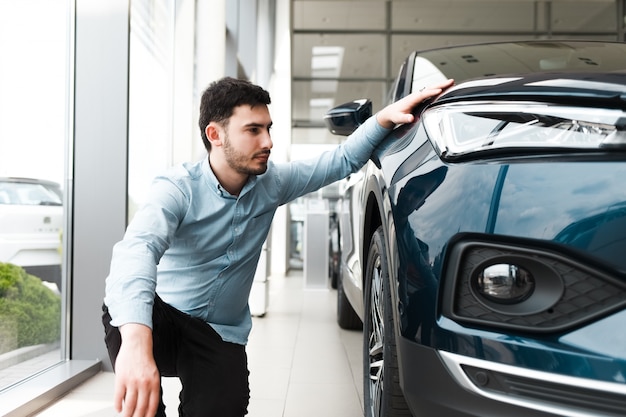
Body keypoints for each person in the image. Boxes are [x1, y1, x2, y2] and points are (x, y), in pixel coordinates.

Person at [102, 76, 454, 417]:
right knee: (125, 306)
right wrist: (135, 343)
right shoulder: (177, 188)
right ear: (215, 134)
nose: (267, 141)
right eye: (253, 130)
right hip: (163, 323)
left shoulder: (274, 183)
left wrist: (384, 119)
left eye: (268, 128)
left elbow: (342, 160)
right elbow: (137, 250)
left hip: (218, 334)